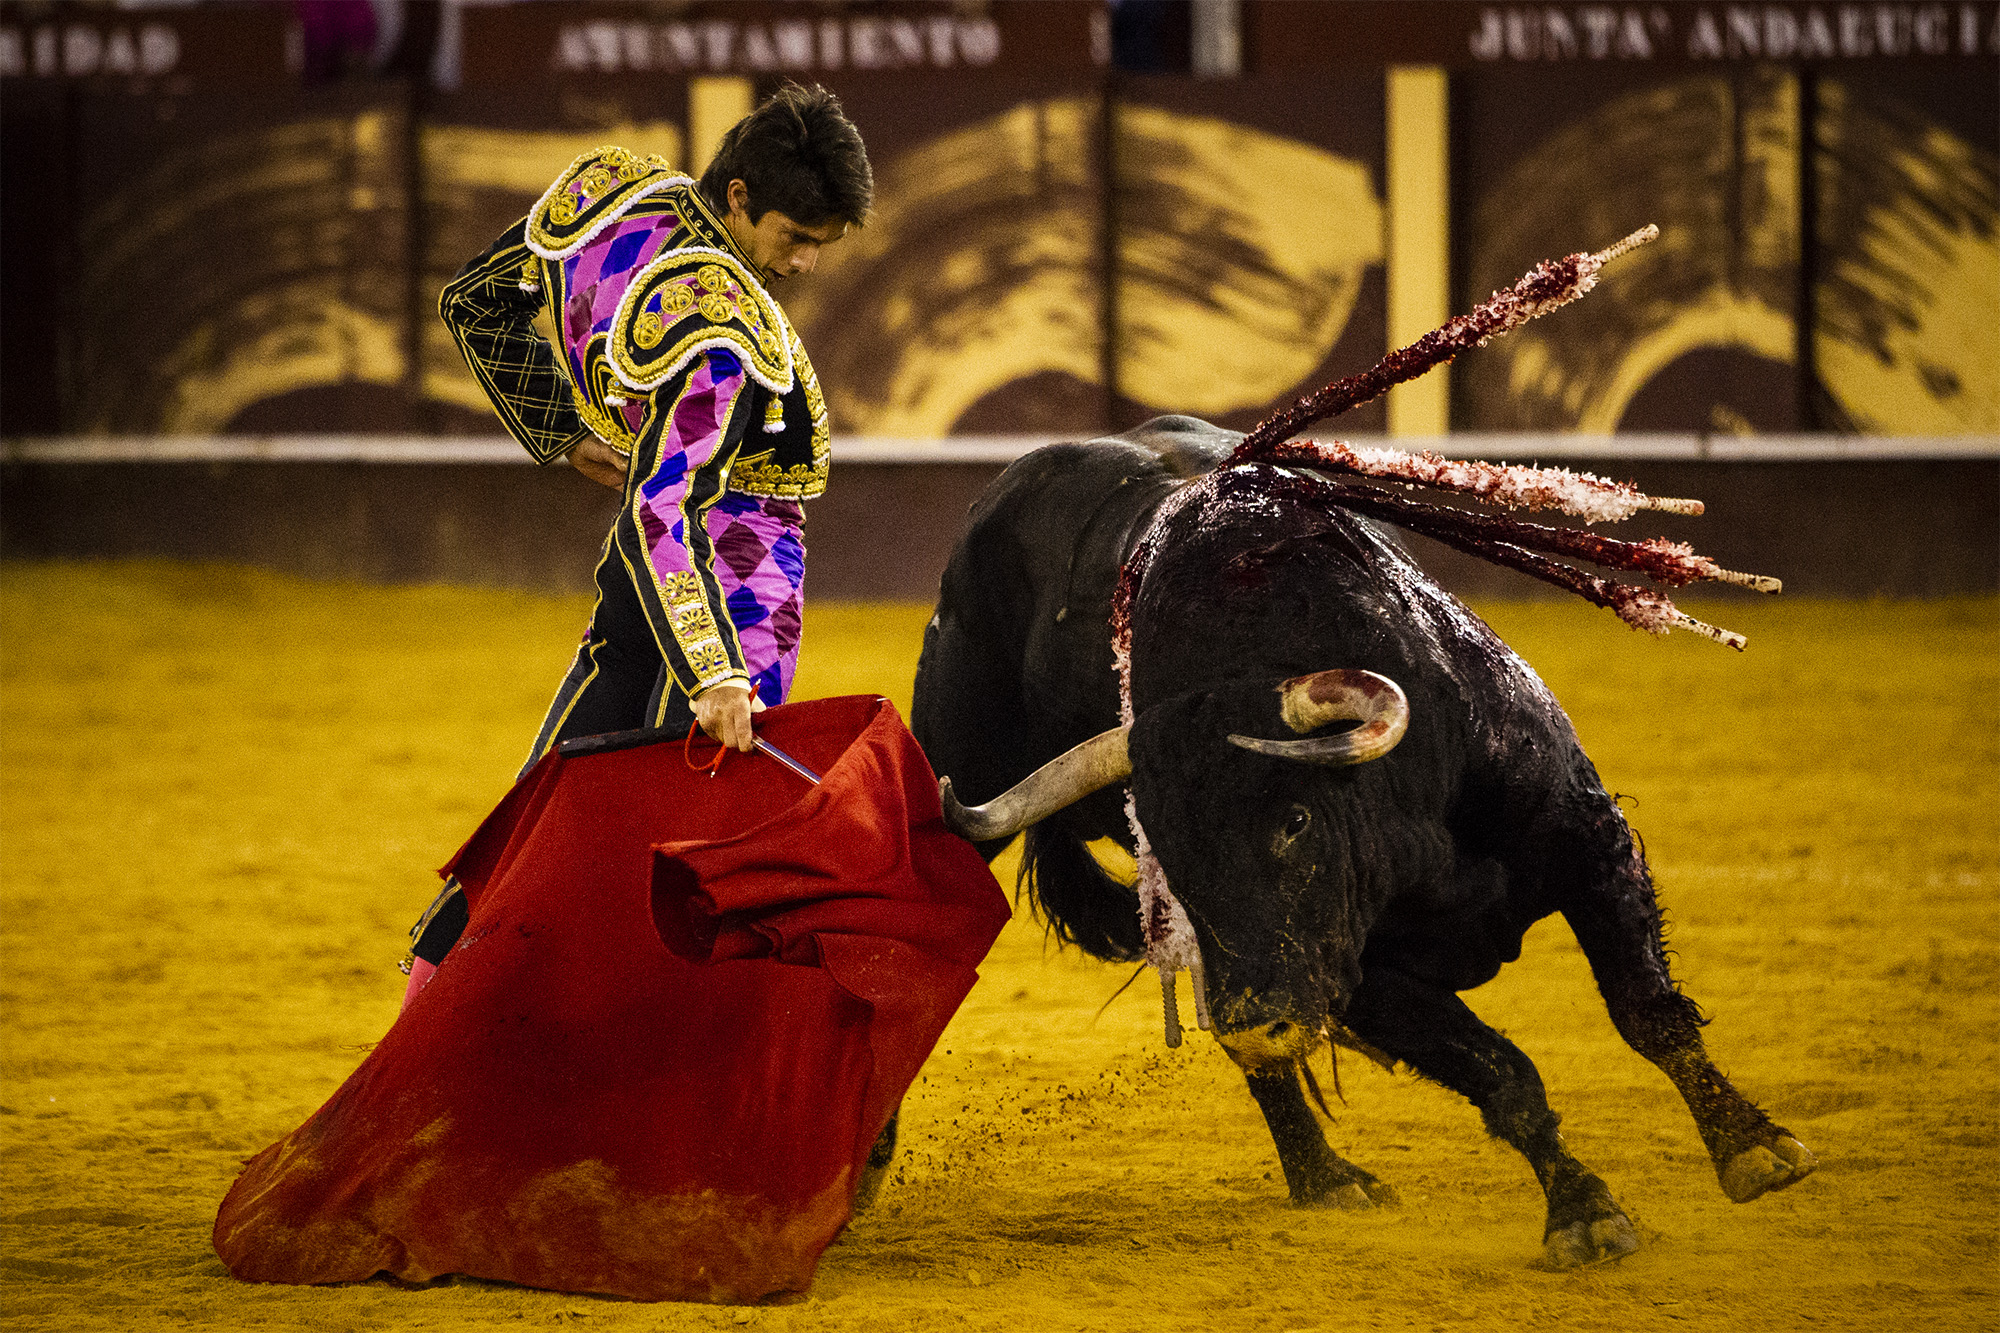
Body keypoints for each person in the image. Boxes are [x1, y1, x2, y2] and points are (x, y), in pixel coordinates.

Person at [400, 84, 873, 999]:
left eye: (823, 243)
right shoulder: (719, 330)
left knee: (556, 799)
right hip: (730, 574)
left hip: (641, 570)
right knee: (707, 847)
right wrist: (718, 669)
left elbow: (475, 306)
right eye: (795, 236)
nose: (807, 264)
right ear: (738, 197)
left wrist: (560, 430)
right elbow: (669, 506)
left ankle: (435, 1001)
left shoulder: (611, 194)